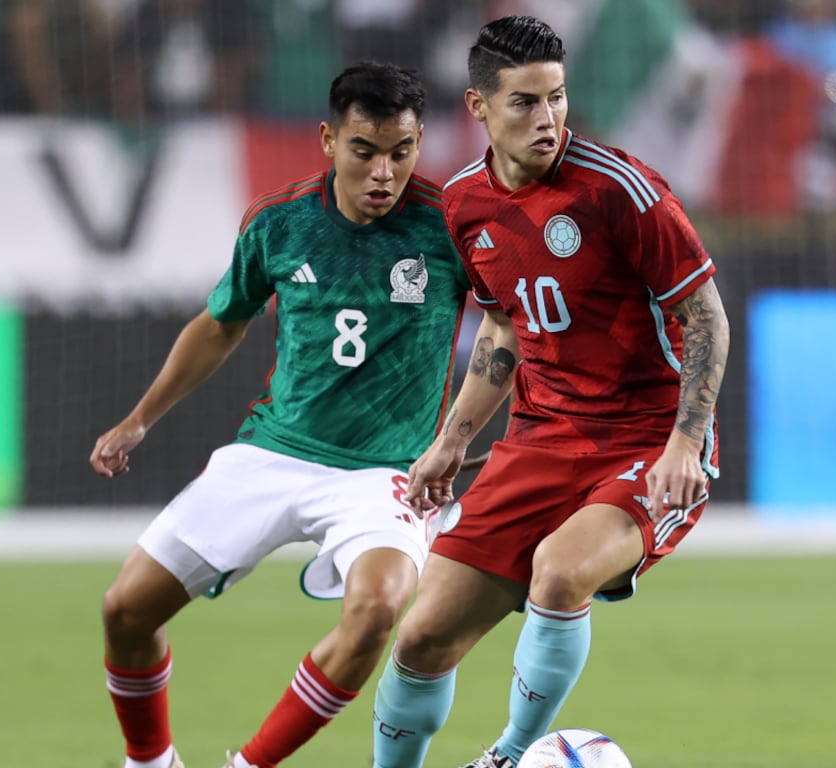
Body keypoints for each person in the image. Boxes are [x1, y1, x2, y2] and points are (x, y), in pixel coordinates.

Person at [370, 15, 731, 768]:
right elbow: (504, 328)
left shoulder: (619, 190)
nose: (548, 120)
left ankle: (508, 758)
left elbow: (706, 317)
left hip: (645, 441)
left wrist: (686, 444)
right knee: (421, 636)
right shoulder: (464, 205)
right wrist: (453, 440)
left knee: (561, 572)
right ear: (478, 108)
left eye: (557, 99)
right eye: (525, 103)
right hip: (539, 442)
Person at [90, 61, 470, 768]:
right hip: (273, 453)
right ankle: (150, 762)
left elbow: (509, 331)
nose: (384, 171)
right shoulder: (279, 222)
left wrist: (458, 437)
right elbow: (219, 324)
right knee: (125, 610)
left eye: (402, 150)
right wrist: (138, 419)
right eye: (365, 150)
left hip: (386, 472)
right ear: (329, 141)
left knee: (378, 612)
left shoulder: (450, 224)